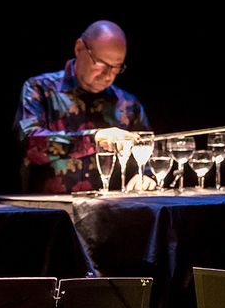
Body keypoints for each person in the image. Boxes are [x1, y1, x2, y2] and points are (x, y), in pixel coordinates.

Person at [13, 20, 153, 193]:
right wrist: (95, 139)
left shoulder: (128, 104)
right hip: (50, 213)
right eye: (101, 64)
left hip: (110, 213)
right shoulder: (39, 89)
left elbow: (148, 154)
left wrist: (146, 176)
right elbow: (28, 143)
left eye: (116, 67)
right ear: (79, 49)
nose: (108, 75)